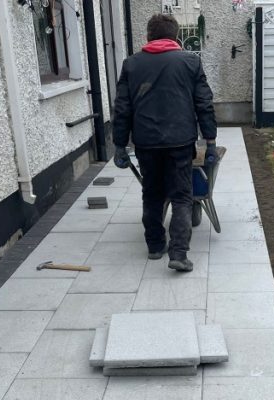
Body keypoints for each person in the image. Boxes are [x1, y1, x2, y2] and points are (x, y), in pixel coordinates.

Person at [112, 14, 217, 273]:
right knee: (182, 195)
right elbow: (204, 103)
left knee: (152, 193)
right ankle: (179, 253)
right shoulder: (190, 62)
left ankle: (155, 246)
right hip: (180, 141)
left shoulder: (131, 64)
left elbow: (122, 108)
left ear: (148, 36)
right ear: (176, 36)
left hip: (146, 142)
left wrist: (119, 144)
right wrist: (211, 140)